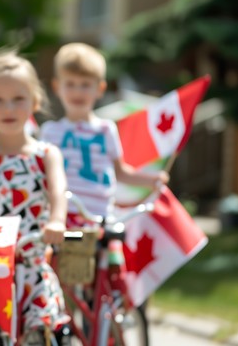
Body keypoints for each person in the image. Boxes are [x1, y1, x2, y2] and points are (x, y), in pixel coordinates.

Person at [0, 52, 70, 345]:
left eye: (18, 99)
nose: (8, 108)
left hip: (33, 256)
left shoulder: (46, 153)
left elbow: (58, 192)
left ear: (34, 101)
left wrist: (57, 221)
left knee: (43, 330)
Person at [40, 42, 169, 296]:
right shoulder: (50, 132)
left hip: (100, 216)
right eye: (71, 84)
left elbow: (121, 172)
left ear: (100, 88)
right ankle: (64, 327)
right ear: (57, 87)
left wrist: (151, 180)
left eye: (85, 84)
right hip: (63, 217)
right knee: (58, 279)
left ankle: (110, 322)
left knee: (112, 275)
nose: (78, 91)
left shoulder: (107, 129)